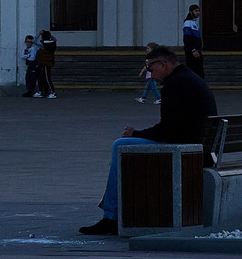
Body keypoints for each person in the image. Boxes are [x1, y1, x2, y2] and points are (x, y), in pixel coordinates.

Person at [78, 45, 214, 236]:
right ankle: (114, 210)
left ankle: (111, 216)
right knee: (124, 147)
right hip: (199, 146)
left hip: (185, 148)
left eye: (150, 68)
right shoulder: (190, 78)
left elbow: (167, 130)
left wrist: (136, 134)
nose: (149, 74)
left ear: (164, 65)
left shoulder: (174, 85)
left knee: (120, 145)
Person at [180, 6, 205, 78]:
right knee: (194, 70)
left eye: (199, 11)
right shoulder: (188, 23)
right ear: (191, 12)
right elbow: (187, 38)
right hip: (192, 51)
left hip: (197, 49)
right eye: (196, 11)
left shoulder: (194, 22)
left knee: (199, 70)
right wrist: (193, 49)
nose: (198, 13)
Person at [35, 27, 58, 99]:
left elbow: (33, 41)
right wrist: (48, 34)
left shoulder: (43, 45)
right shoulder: (53, 43)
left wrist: (38, 34)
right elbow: (55, 39)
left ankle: (52, 92)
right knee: (41, 77)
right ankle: (41, 91)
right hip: (49, 62)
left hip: (45, 63)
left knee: (47, 78)